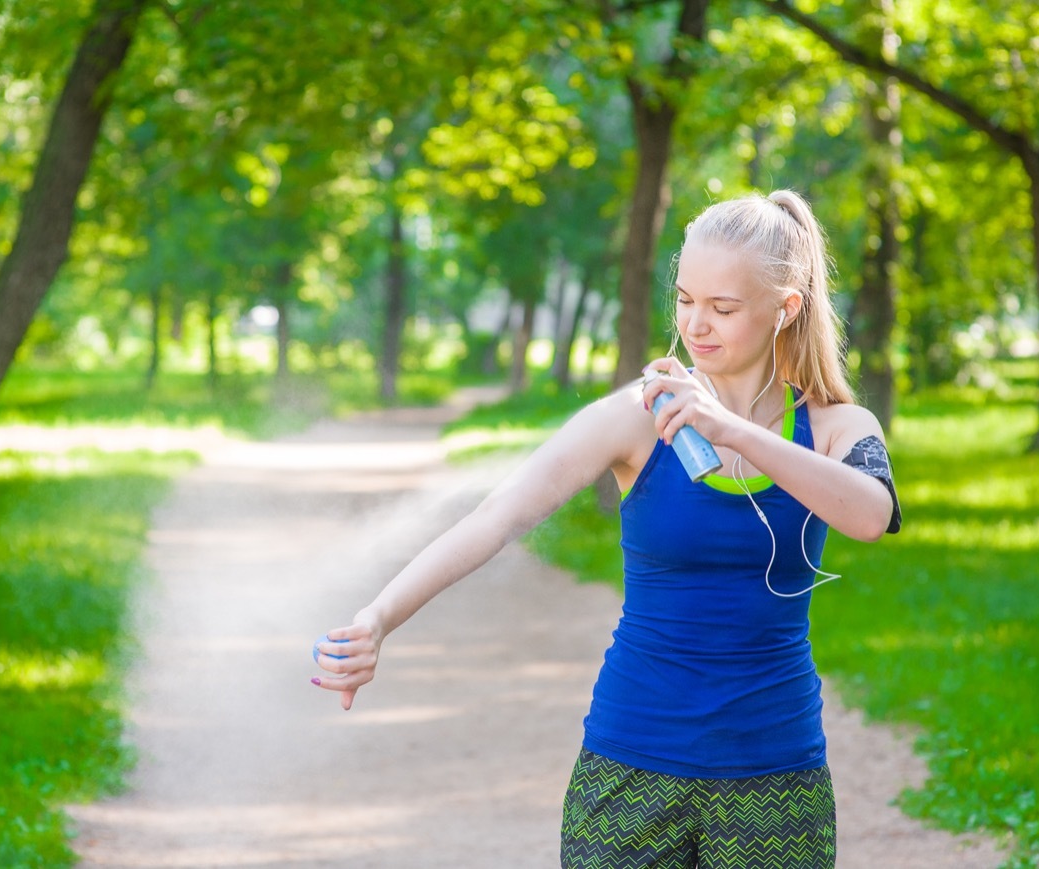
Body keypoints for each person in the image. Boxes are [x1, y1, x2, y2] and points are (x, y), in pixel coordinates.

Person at [312, 189, 902, 868]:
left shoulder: (837, 426)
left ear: (785, 307)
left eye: (723, 307)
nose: (696, 324)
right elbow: (495, 515)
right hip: (630, 765)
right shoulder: (632, 418)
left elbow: (869, 514)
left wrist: (728, 427)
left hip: (776, 775)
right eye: (685, 299)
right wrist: (380, 616)